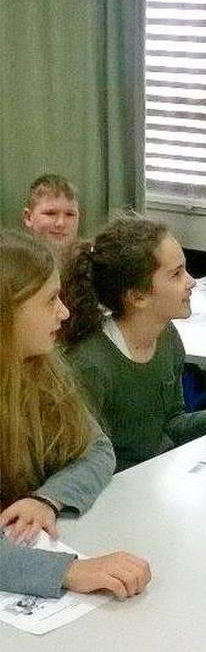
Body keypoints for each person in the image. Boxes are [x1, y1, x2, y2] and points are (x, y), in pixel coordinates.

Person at [60, 215, 206, 473]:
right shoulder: (90, 364)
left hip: (158, 475)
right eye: (176, 274)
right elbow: (82, 464)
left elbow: (171, 424)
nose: (192, 282)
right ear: (138, 297)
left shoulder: (167, 336)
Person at [0, 229, 150, 600]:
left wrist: (47, 499)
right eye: (50, 300)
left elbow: (97, 450)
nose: (64, 312)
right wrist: (68, 571)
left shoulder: (42, 368)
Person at [23, 174, 81, 257]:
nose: (60, 223)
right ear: (28, 217)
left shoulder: (93, 262)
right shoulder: (10, 261)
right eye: (50, 213)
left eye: (69, 214)